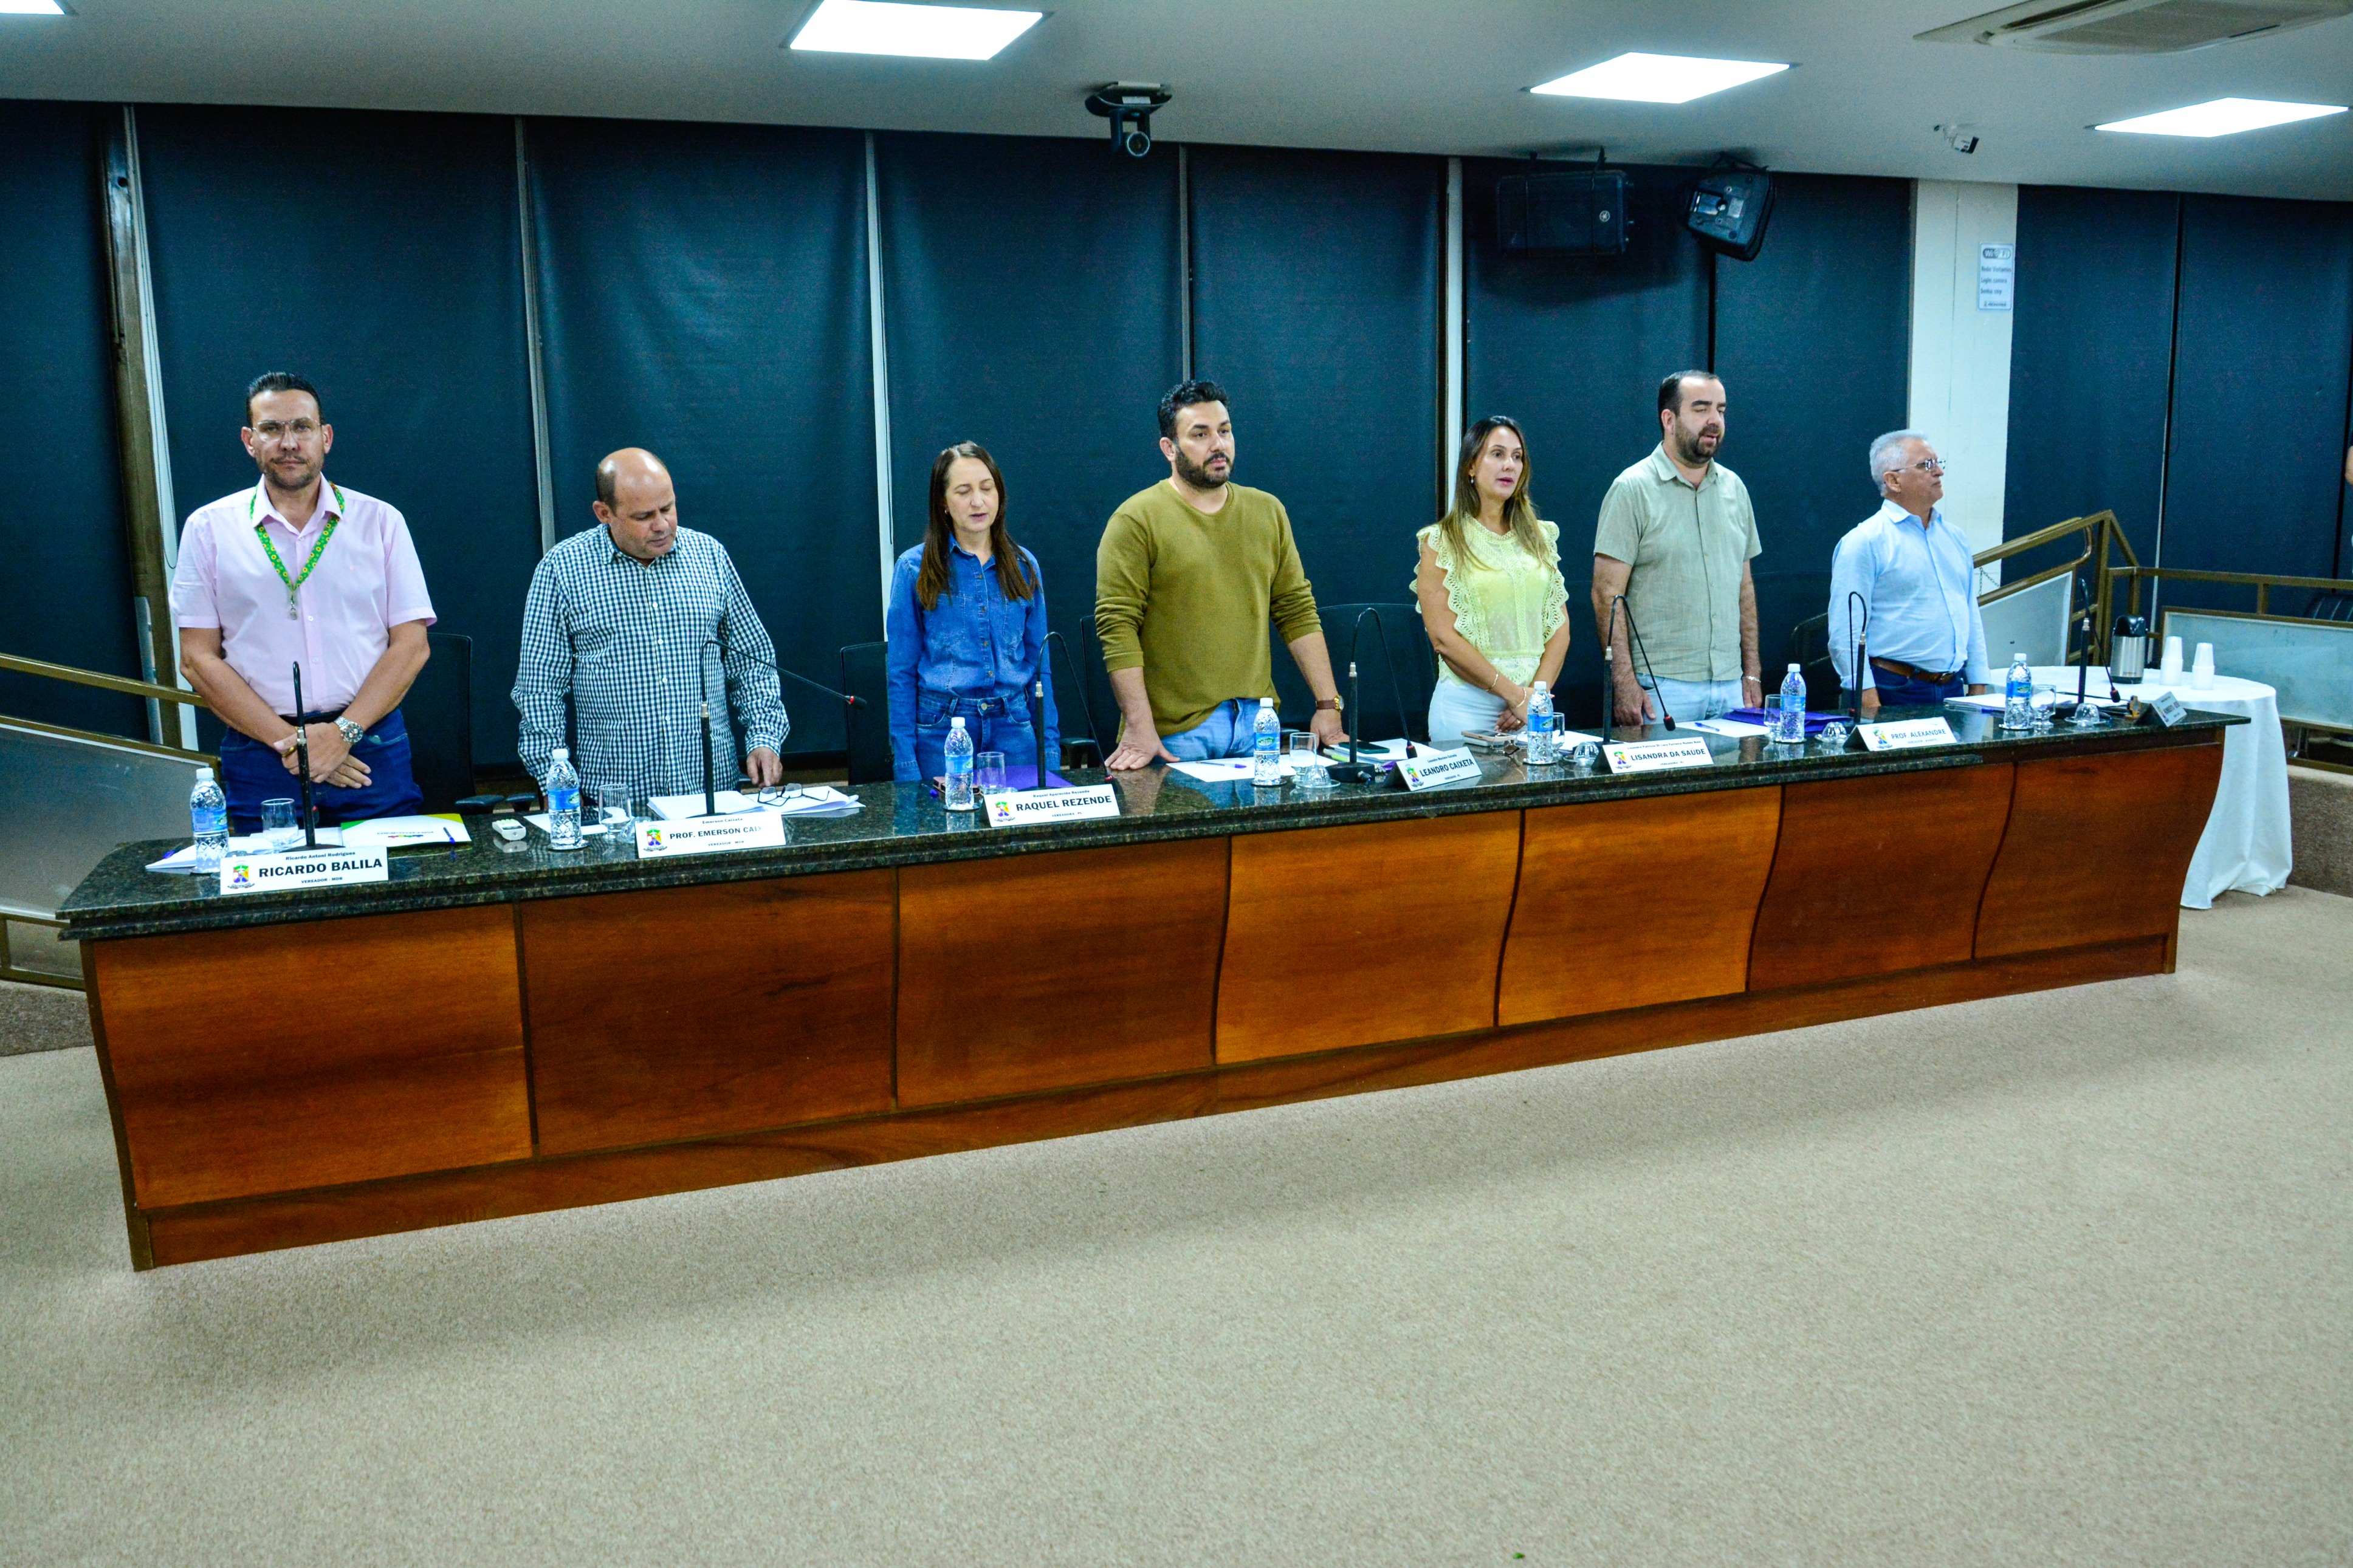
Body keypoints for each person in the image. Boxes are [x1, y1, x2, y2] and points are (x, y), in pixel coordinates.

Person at [171, 372, 435, 831]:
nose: (288, 442)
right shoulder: (209, 528)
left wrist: (342, 734)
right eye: (272, 429)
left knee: (389, 875)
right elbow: (197, 659)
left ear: (325, 437)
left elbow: (412, 646)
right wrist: (293, 743)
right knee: (269, 878)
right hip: (262, 751)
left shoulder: (380, 522)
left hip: (368, 745)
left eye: (302, 427)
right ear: (249, 441)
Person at [1095, 380, 1348, 767]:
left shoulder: (1267, 511)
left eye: (1225, 431)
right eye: (1200, 434)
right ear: (1169, 448)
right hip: (1175, 733)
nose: (1218, 444)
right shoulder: (1136, 519)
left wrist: (1328, 704)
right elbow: (1118, 626)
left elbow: (1296, 610)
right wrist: (1139, 724)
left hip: (1258, 722)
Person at [513, 448, 787, 803]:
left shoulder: (709, 557)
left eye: (668, 508)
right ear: (604, 513)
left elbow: (752, 661)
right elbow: (539, 689)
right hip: (617, 801)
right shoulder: (562, 570)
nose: (661, 525)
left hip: (712, 793)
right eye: (643, 516)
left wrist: (764, 737)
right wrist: (555, 779)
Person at [1592, 371, 1764, 726]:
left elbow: (1744, 589)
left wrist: (1752, 672)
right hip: (1661, 687)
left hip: (1731, 685)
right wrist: (1623, 682)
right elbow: (1606, 595)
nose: (1715, 420)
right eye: (1701, 409)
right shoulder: (1632, 489)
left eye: (1721, 410)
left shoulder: (1735, 489)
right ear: (1668, 420)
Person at [884, 442, 1062, 782]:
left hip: (1014, 726)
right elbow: (901, 673)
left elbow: (1042, 669)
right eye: (963, 492)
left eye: (987, 488)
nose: (978, 502)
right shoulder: (913, 568)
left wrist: (1049, 752)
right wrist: (905, 761)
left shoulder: (1024, 566)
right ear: (943, 502)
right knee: (943, 815)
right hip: (942, 728)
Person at [1412, 416, 1572, 751]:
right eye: (1497, 454)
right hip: (1465, 711)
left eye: (1517, 457)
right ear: (1471, 466)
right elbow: (1443, 639)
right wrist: (1515, 695)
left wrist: (1533, 697)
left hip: (1528, 713)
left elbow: (1560, 628)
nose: (1509, 465)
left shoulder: (1541, 538)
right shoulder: (1442, 541)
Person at [1828, 431, 1991, 716]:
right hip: (1893, 688)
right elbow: (1846, 631)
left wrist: (1979, 683)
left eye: (1938, 463)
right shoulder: (1865, 541)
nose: (1939, 471)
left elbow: (1969, 613)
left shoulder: (1955, 538)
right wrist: (1867, 699)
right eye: (1926, 465)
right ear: (1893, 481)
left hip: (1954, 687)